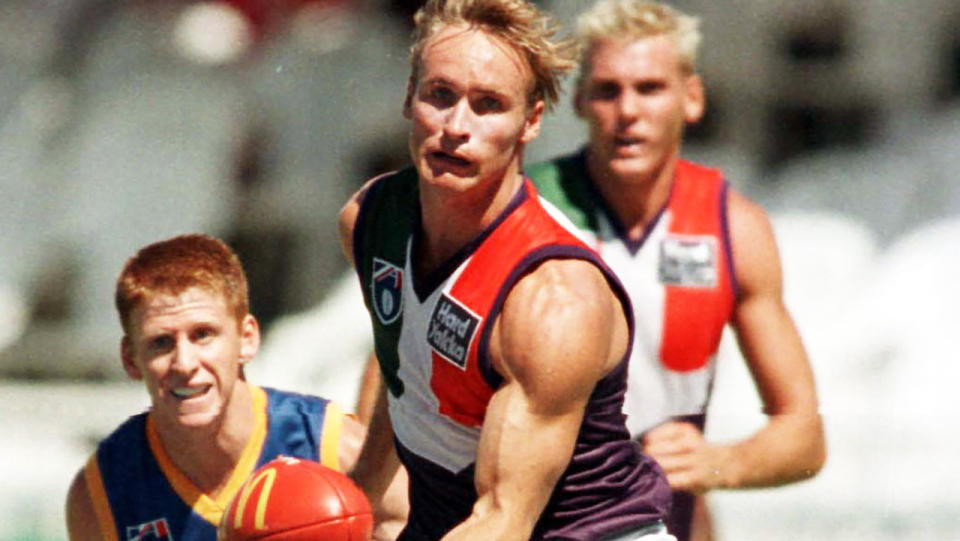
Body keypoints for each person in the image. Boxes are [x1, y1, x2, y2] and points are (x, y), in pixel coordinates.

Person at [338, 0, 675, 539]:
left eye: (488, 104)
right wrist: (355, 503)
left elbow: (503, 520)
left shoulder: (552, 298)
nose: (455, 127)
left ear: (530, 121)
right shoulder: (371, 219)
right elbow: (404, 365)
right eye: (440, 95)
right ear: (409, 98)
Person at [525, 1, 827, 540]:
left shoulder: (733, 228)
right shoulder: (525, 209)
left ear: (692, 98)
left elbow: (804, 436)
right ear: (578, 100)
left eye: (649, 88)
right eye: (607, 90)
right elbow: (406, 368)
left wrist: (719, 464)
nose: (628, 111)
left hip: (668, 527)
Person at [64, 234, 406, 540]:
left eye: (203, 335)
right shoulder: (103, 492)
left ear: (247, 339)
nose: (184, 363)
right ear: (130, 358)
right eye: (161, 343)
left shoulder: (333, 447)